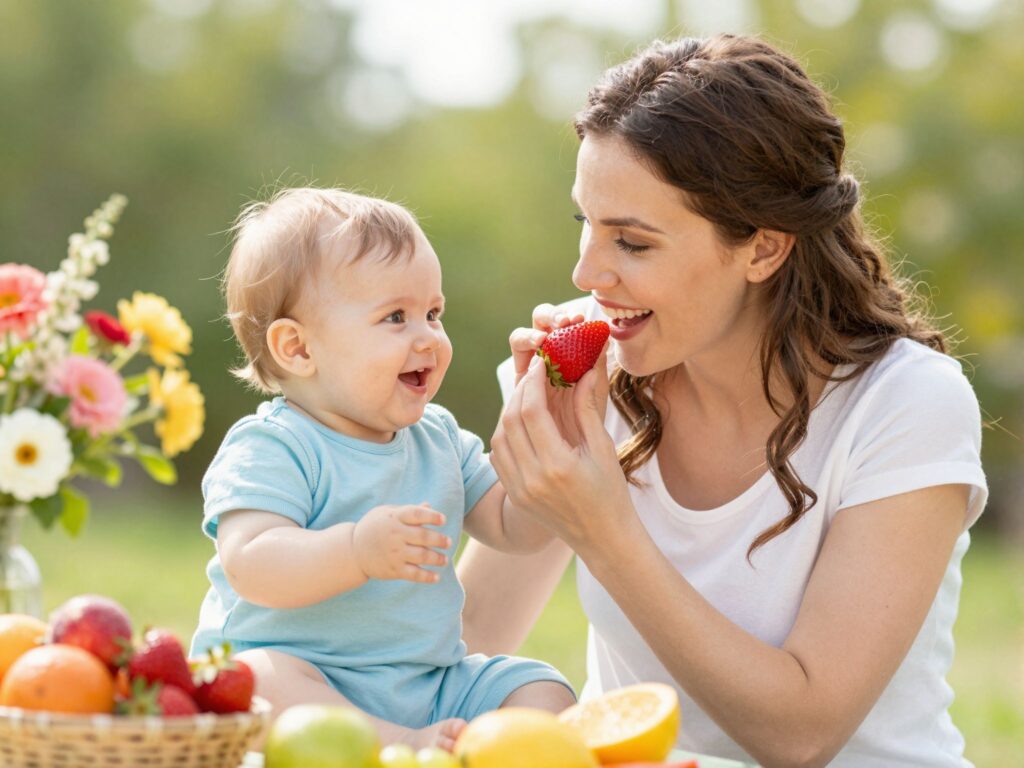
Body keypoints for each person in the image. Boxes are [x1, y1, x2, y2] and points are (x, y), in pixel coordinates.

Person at [458, 35, 987, 767]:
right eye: (587, 225)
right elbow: (471, 637)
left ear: (763, 249)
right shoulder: (591, 371)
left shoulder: (905, 403)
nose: (586, 273)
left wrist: (603, 529)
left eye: (632, 243)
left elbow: (802, 735)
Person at [191, 187, 575, 750]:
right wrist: (357, 551)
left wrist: (545, 434)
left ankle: (470, 748)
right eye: (396, 317)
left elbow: (518, 530)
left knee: (543, 689)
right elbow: (251, 563)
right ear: (298, 349)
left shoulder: (438, 437)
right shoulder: (275, 445)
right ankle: (403, 744)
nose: (429, 338)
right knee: (253, 680)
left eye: (433, 313)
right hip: (307, 678)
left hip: (429, 683)